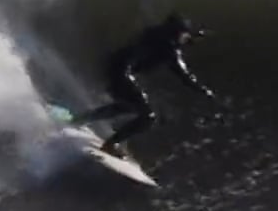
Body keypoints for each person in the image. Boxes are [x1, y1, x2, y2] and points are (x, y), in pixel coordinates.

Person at [75, 12, 216, 158]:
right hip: (121, 72)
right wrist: (205, 91)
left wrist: (190, 38)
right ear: (176, 32)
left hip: (112, 65)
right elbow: (183, 74)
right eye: (184, 33)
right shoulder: (169, 48)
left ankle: (79, 120)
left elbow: (170, 45)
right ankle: (110, 144)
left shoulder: (155, 33)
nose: (185, 37)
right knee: (148, 117)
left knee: (127, 105)